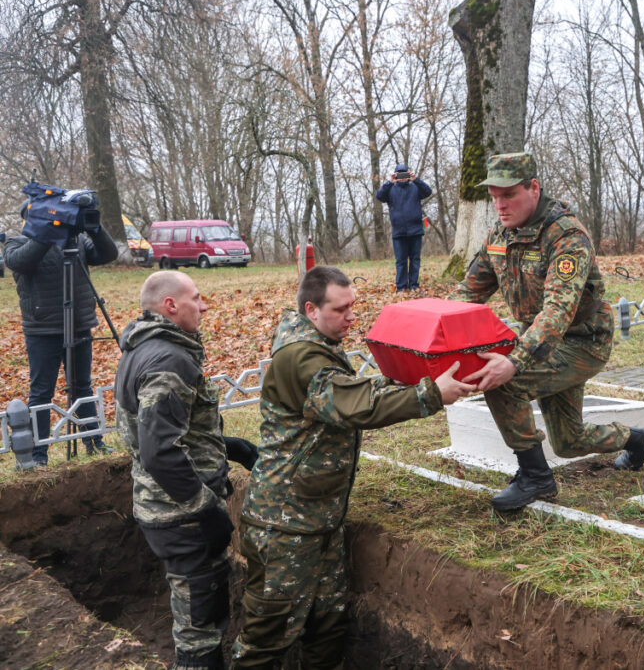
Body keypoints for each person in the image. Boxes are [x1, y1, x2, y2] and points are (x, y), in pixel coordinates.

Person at [232, 266, 472, 667]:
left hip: (317, 521)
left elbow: (360, 388)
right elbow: (356, 405)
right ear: (311, 309)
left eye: (353, 307)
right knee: (266, 641)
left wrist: (411, 380)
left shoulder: (318, 343)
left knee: (327, 630)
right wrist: (430, 395)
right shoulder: (301, 357)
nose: (351, 317)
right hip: (285, 528)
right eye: (341, 309)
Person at [448, 152, 644, 513]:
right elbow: (467, 293)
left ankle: (535, 477)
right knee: (569, 441)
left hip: (581, 342)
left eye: (509, 195)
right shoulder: (500, 236)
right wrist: (432, 329)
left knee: (504, 381)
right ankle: (638, 441)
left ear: (533, 188)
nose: (500, 205)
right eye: (494, 196)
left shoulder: (565, 236)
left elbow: (558, 311)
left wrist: (514, 362)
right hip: (541, 342)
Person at [115, 271, 256, 670]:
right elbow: (159, 451)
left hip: (164, 508)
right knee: (200, 621)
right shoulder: (169, 360)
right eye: (197, 297)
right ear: (170, 306)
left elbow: (155, 431)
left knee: (197, 608)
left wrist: (230, 448)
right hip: (180, 515)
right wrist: (204, 510)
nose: (205, 304)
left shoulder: (144, 348)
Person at [3, 202, 118, 465]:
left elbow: (107, 254)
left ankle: (93, 442)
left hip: (78, 324)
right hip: (43, 329)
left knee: (82, 386)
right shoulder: (16, 243)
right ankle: (38, 454)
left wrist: (95, 228)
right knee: (42, 391)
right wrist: (47, 233)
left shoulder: (74, 241)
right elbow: (21, 262)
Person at [375, 163, 432, 292]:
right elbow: (379, 196)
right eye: (399, 174)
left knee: (415, 260)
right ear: (395, 175)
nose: (402, 177)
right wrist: (389, 182)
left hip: (416, 230)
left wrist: (416, 180)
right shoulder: (390, 189)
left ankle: (413, 285)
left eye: (404, 174)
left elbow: (428, 191)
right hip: (399, 232)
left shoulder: (415, 187)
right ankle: (401, 287)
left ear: (408, 174)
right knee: (400, 261)